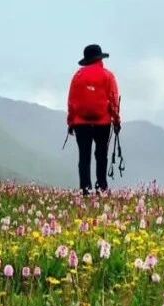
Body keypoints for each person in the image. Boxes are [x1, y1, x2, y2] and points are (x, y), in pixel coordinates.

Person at [67, 44, 121, 195]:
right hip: (102, 123)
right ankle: (101, 187)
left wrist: (71, 122)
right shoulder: (108, 76)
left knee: (84, 156)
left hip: (80, 123)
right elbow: (114, 100)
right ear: (100, 58)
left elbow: (71, 101)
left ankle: (85, 189)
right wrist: (116, 121)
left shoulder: (77, 76)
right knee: (101, 155)